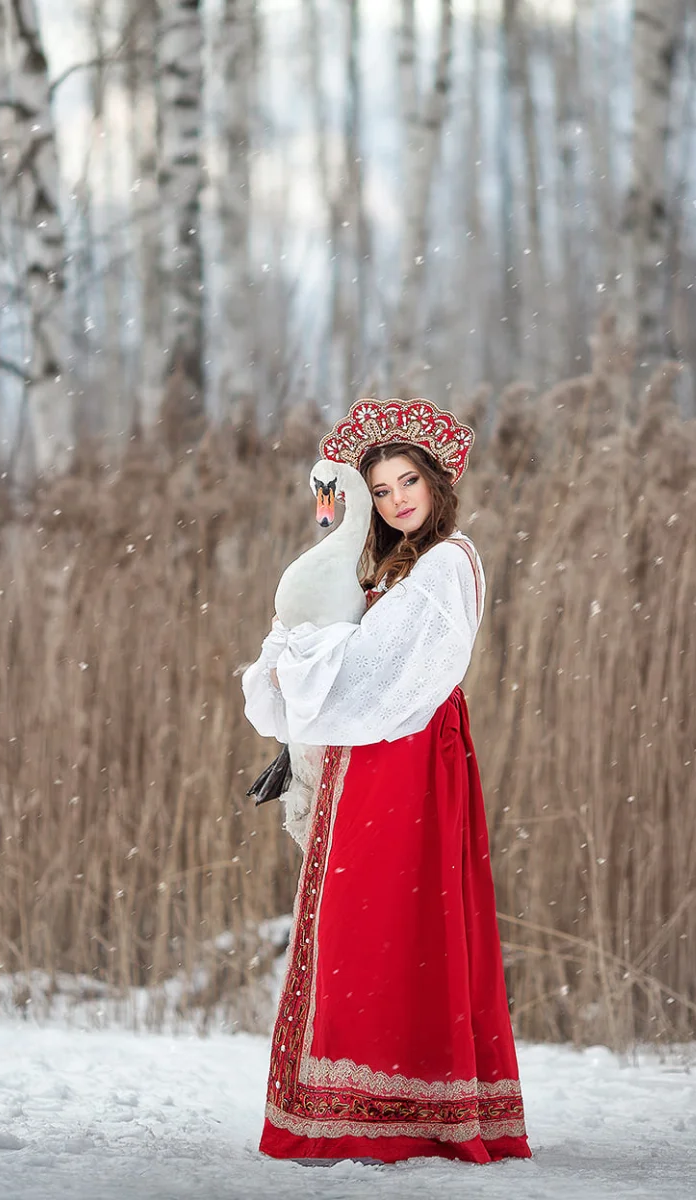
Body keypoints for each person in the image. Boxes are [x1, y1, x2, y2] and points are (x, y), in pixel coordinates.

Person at [241, 398, 531, 1166]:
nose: (398, 498)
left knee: (386, 922)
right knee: (359, 920)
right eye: (381, 489)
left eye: (409, 481)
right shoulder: (391, 564)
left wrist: (309, 661)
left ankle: (398, 1107)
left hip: (407, 760)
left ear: (436, 483)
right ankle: (364, 1105)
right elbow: (346, 657)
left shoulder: (446, 561)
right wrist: (304, 720)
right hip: (372, 756)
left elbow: (379, 675)